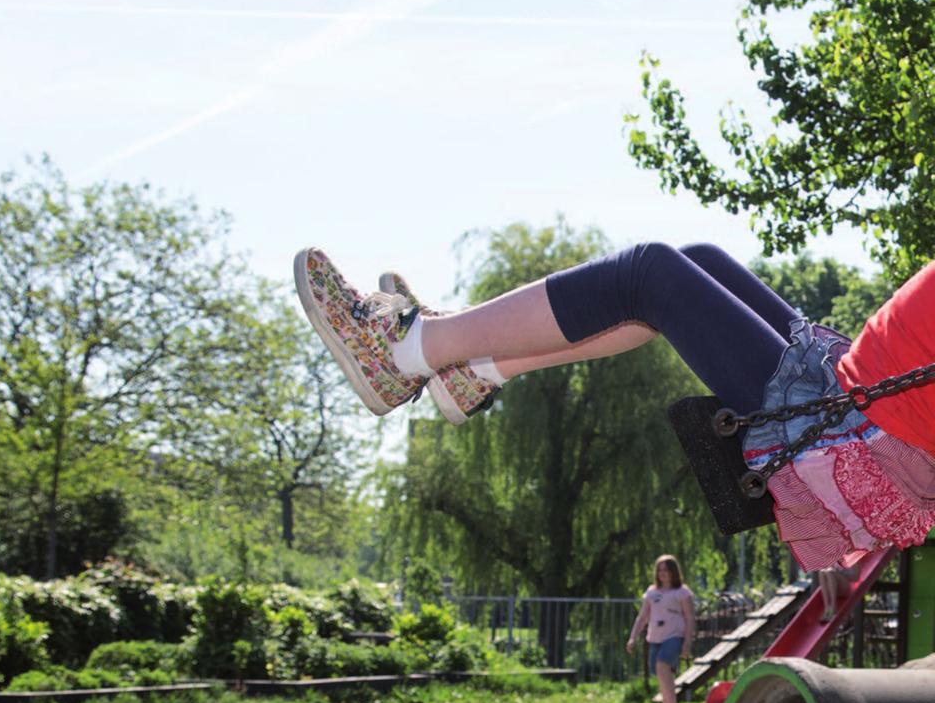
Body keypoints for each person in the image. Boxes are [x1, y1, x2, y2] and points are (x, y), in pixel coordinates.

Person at [294, 242, 935, 573]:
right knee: (698, 262)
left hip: (848, 421)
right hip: (847, 380)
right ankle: (479, 370)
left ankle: (404, 352)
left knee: (648, 275)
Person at [625, 554, 696, 703]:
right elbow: (643, 617)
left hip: (674, 636)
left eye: (666, 569)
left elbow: (689, 618)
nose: (663, 573)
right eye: (660, 570)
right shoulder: (652, 592)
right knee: (663, 677)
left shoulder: (682, 593)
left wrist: (687, 642)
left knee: (662, 666)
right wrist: (633, 637)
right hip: (655, 638)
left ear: (674, 571)